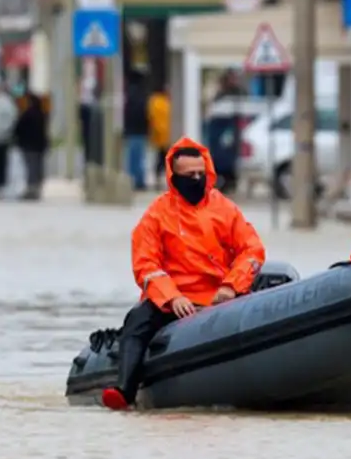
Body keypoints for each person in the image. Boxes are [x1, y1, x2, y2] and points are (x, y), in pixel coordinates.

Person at [102, 138, 266, 410]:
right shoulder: (157, 215)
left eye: (201, 174)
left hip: (220, 296)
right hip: (174, 300)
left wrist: (231, 286)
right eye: (190, 176)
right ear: (174, 177)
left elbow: (252, 249)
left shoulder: (224, 209)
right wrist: (172, 298)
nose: (197, 180)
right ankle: (125, 390)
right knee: (137, 322)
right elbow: (145, 264)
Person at [13, 87, 49, 201]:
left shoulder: (27, 114)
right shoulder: (42, 115)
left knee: (31, 167)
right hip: (39, 145)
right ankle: (37, 187)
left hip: (28, 145)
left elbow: (19, 128)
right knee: (38, 167)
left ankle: (32, 188)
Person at [121, 72, 151, 190]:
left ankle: (132, 180)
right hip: (140, 131)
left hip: (131, 130)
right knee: (139, 158)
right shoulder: (142, 96)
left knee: (132, 157)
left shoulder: (129, 96)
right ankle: (139, 181)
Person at [146, 84, 171, 187]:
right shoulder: (162, 102)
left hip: (159, 135)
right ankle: (158, 177)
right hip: (163, 135)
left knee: (159, 158)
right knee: (161, 157)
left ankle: (157, 177)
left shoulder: (154, 101)